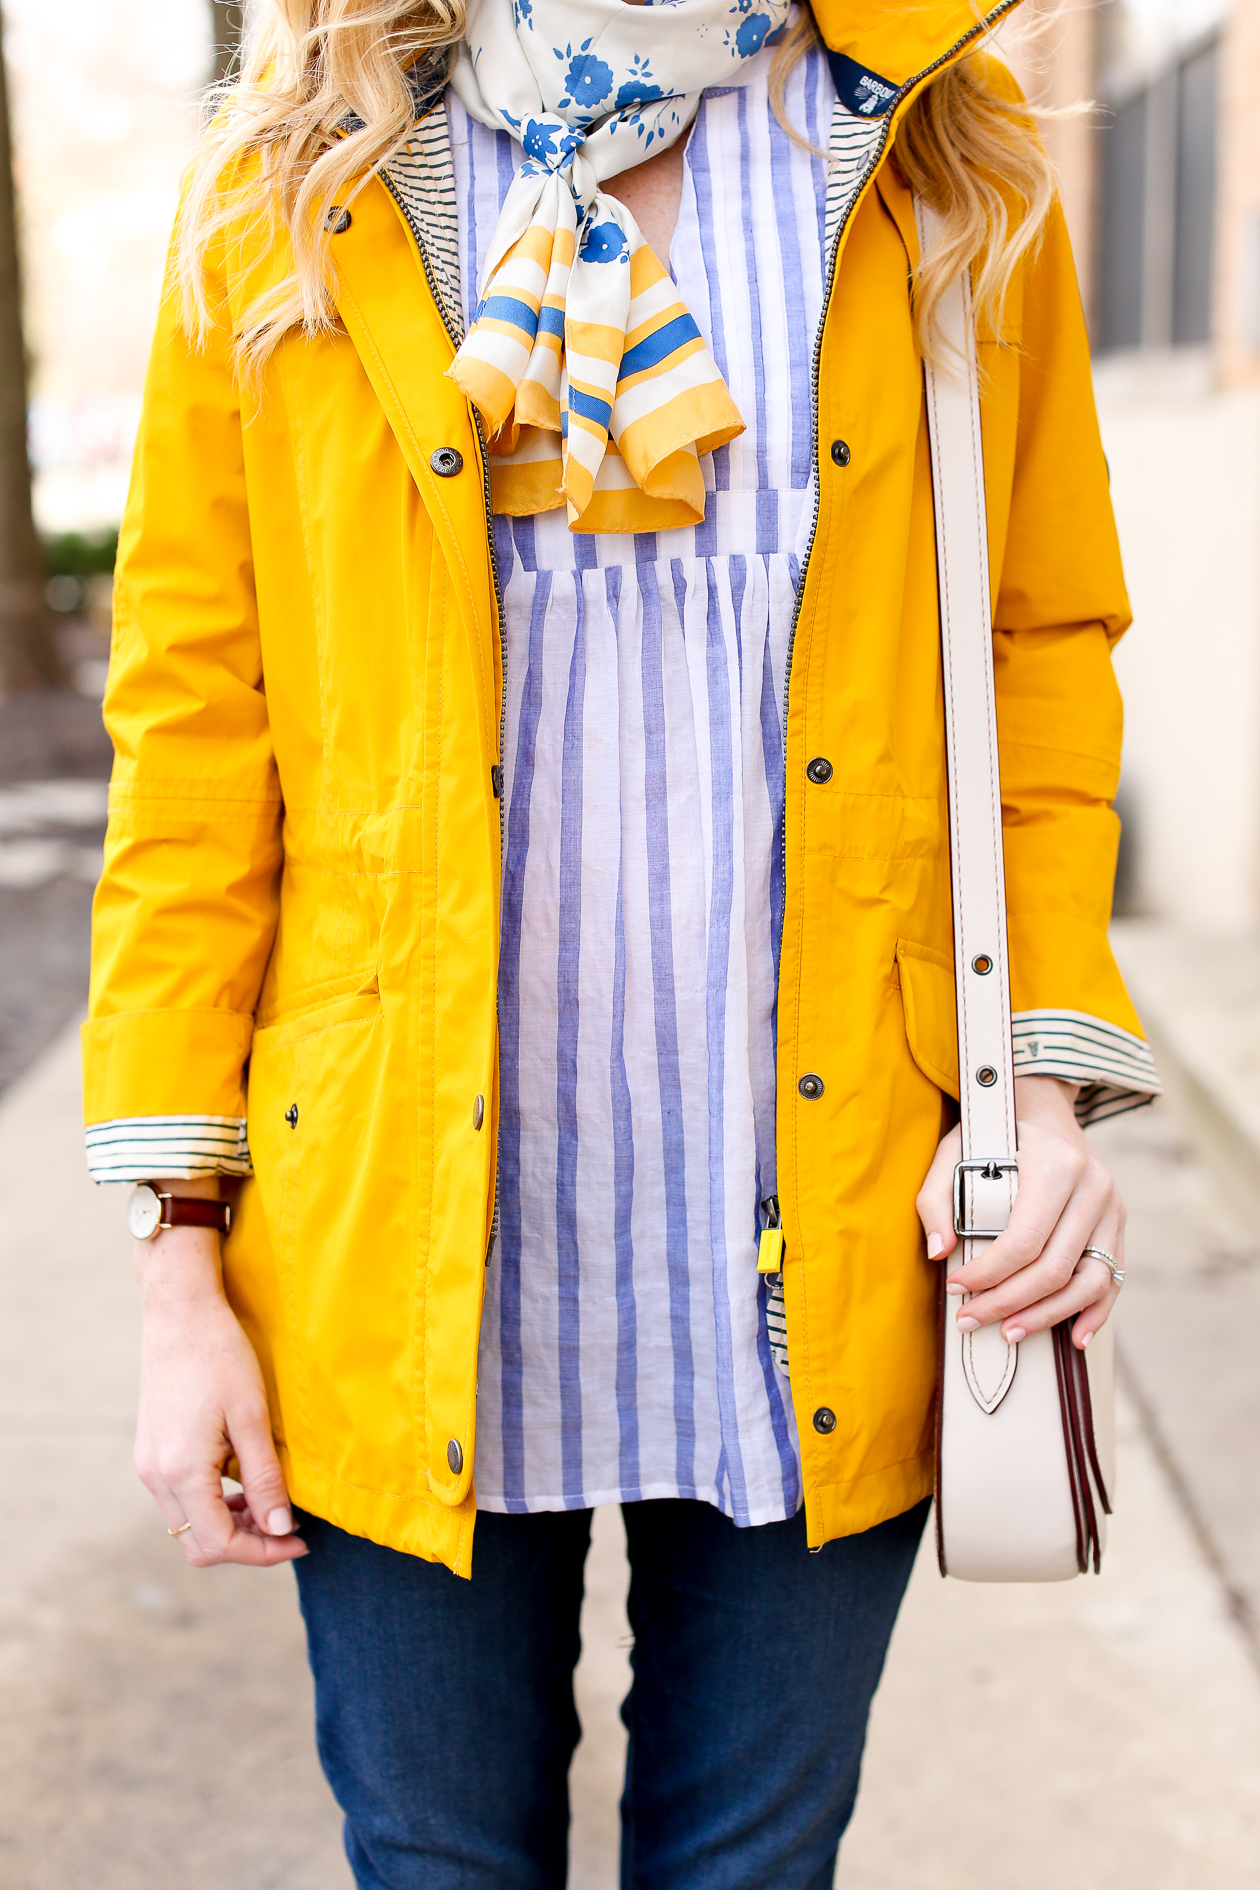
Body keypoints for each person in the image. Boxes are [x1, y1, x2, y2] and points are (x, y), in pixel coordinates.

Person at [84, 0, 1160, 1881]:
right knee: (438, 1858)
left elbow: (1037, 653)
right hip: (399, 1244)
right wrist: (179, 1257)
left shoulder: (941, 167)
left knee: (752, 1864)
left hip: (823, 1228)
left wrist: (1046, 1086)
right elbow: (193, 733)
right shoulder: (285, 191)